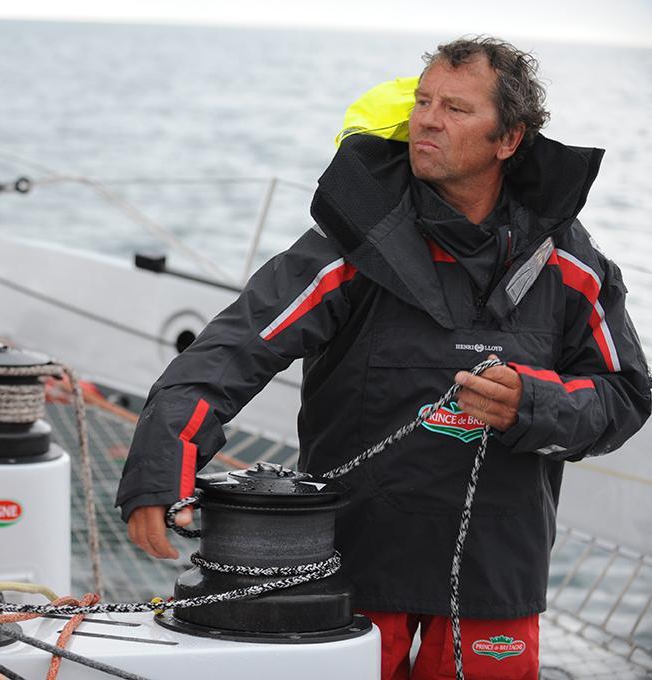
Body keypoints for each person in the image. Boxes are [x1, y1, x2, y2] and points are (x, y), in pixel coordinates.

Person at [115, 36, 652, 680]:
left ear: (509, 138)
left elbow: (624, 392)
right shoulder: (351, 245)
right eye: (423, 101)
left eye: (455, 108)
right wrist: (160, 466)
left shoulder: (570, 263)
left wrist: (531, 404)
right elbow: (232, 350)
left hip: (494, 581)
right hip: (351, 576)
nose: (427, 118)